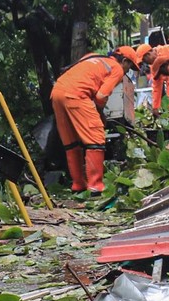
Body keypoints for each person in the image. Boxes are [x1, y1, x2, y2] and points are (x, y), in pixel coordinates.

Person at [51, 45, 140, 193]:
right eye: (129, 67)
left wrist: (99, 113)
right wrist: (100, 114)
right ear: (124, 61)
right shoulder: (116, 69)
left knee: (71, 142)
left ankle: (78, 185)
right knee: (96, 137)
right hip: (76, 94)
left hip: (57, 92)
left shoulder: (92, 57)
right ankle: (95, 186)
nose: (127, 72)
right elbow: (101, 96)